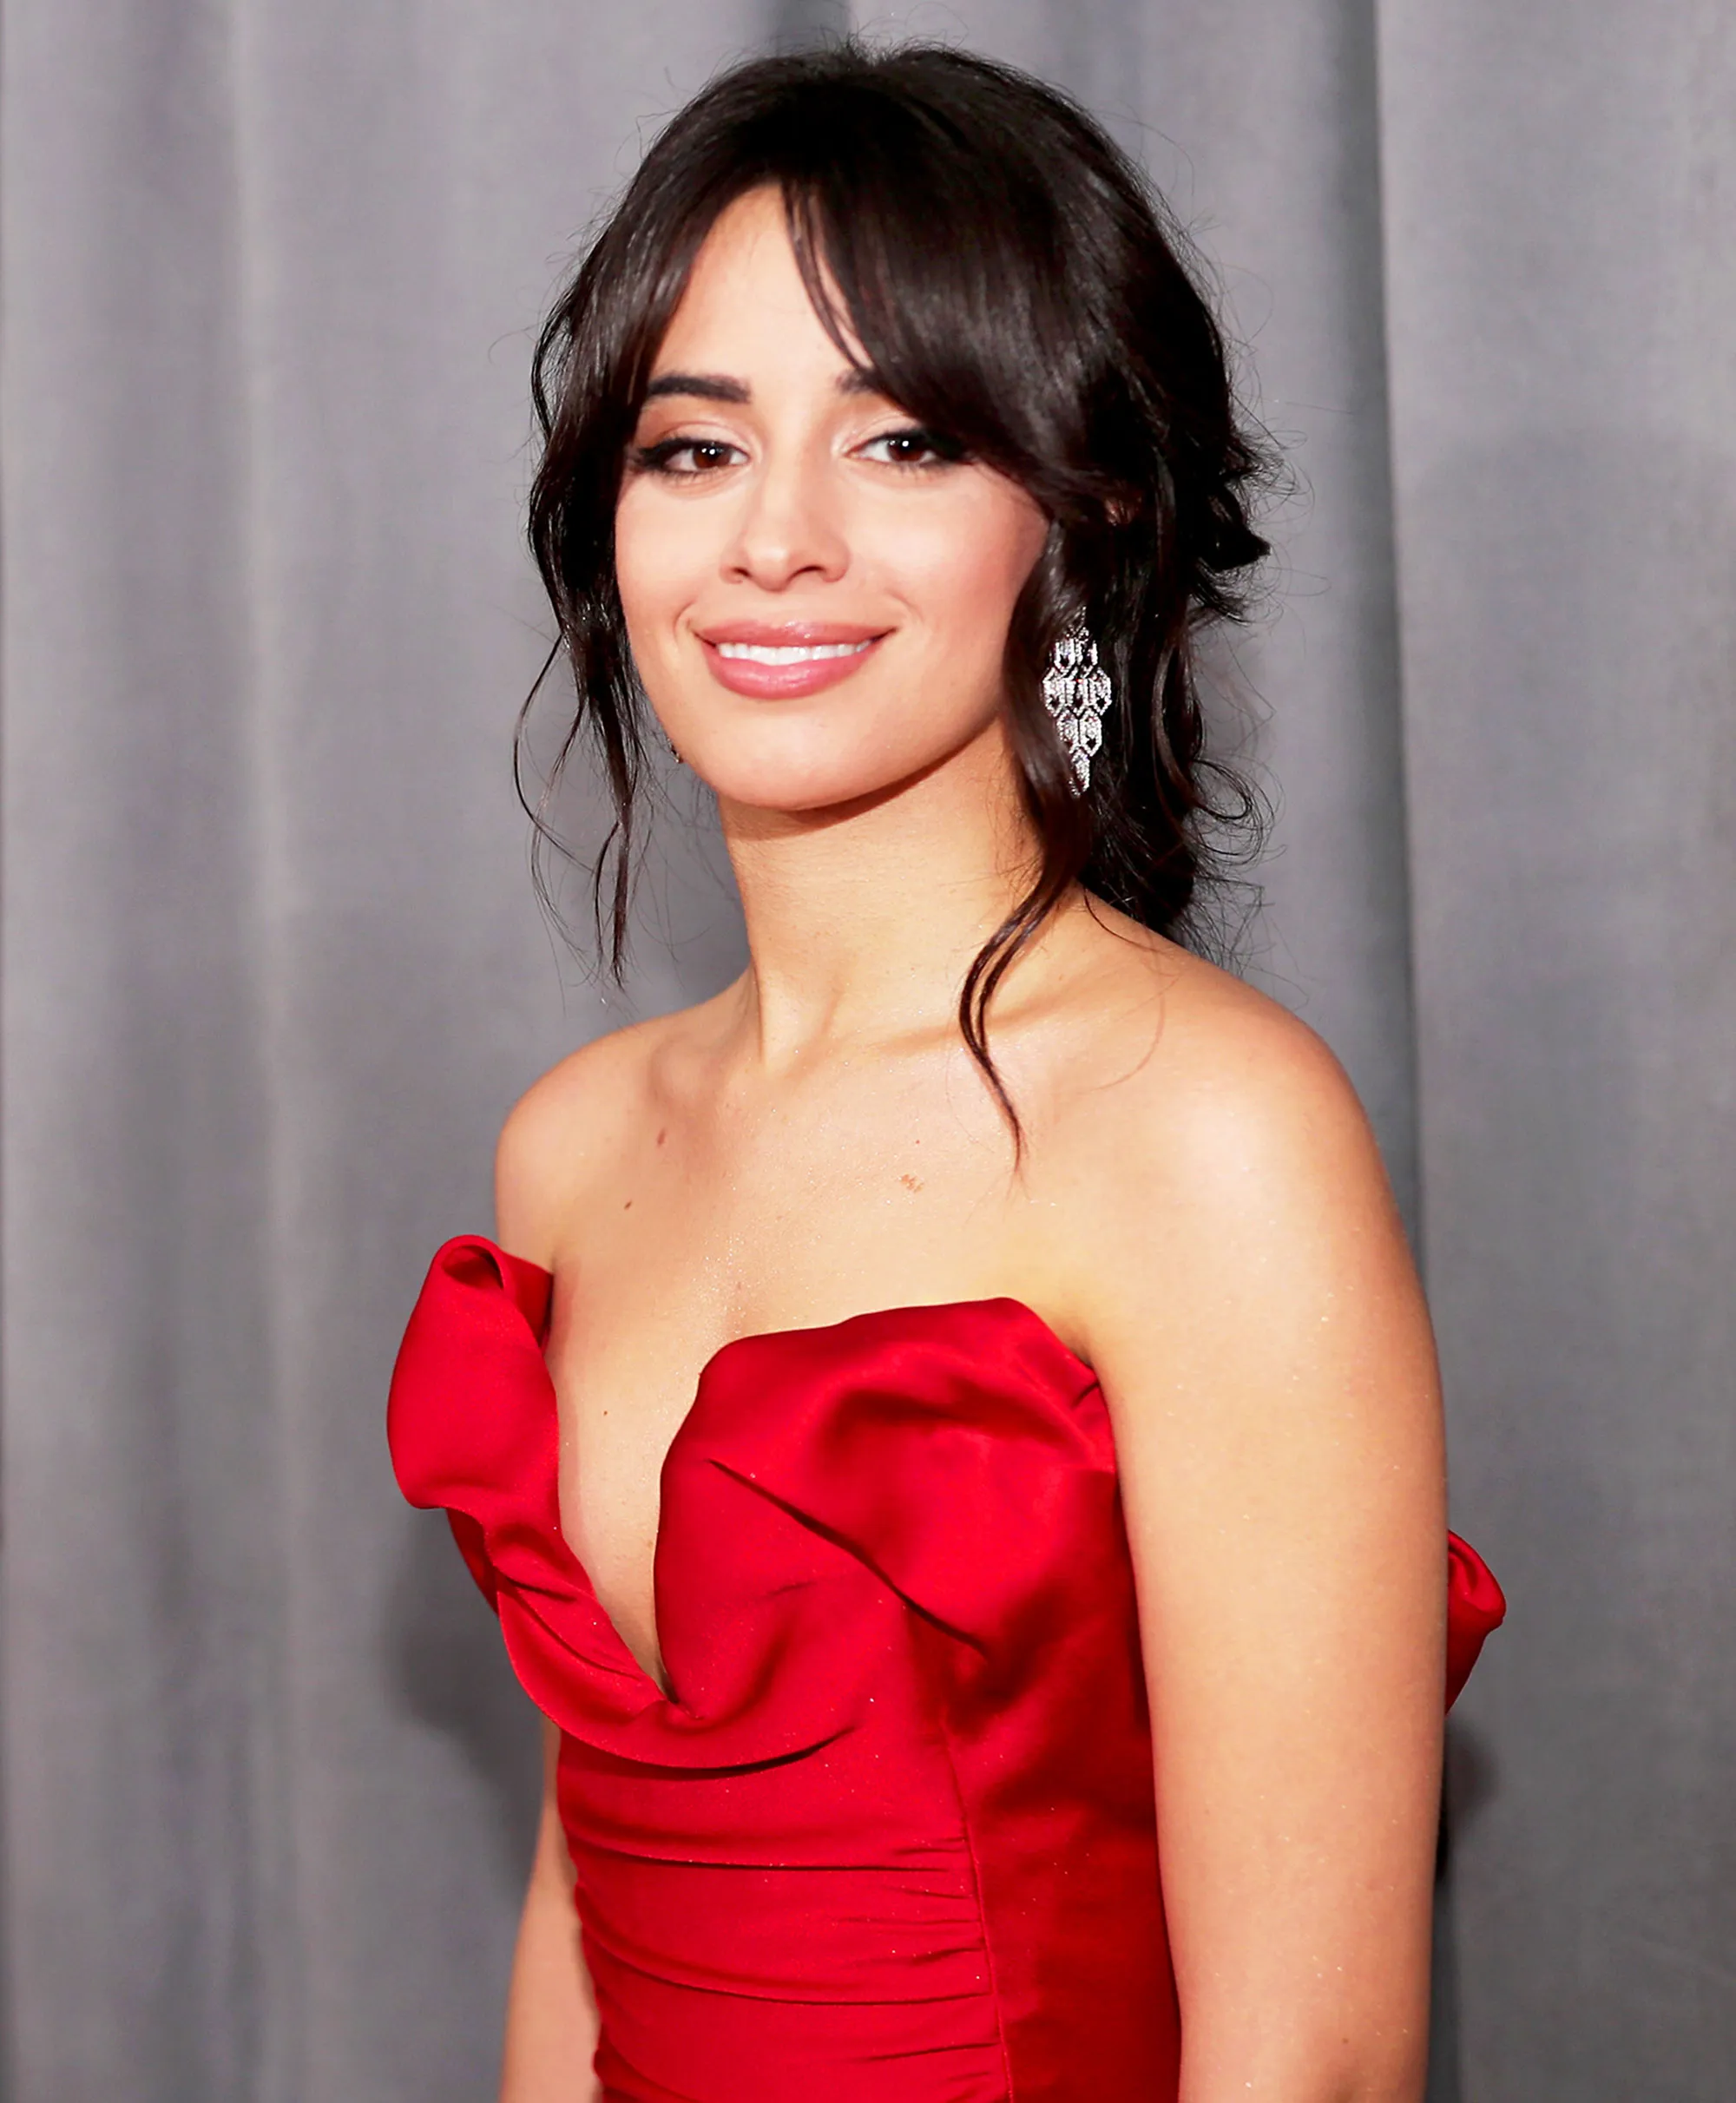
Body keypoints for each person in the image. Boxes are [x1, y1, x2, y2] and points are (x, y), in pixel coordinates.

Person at [388, 39, 1503, 2103]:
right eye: (693, 448)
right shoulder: (571, 1143)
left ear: (1077, 511)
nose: (777, 540)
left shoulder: (1211, 1137)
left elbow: (1311, 2056)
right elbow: (589, 1888)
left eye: (902, 442)